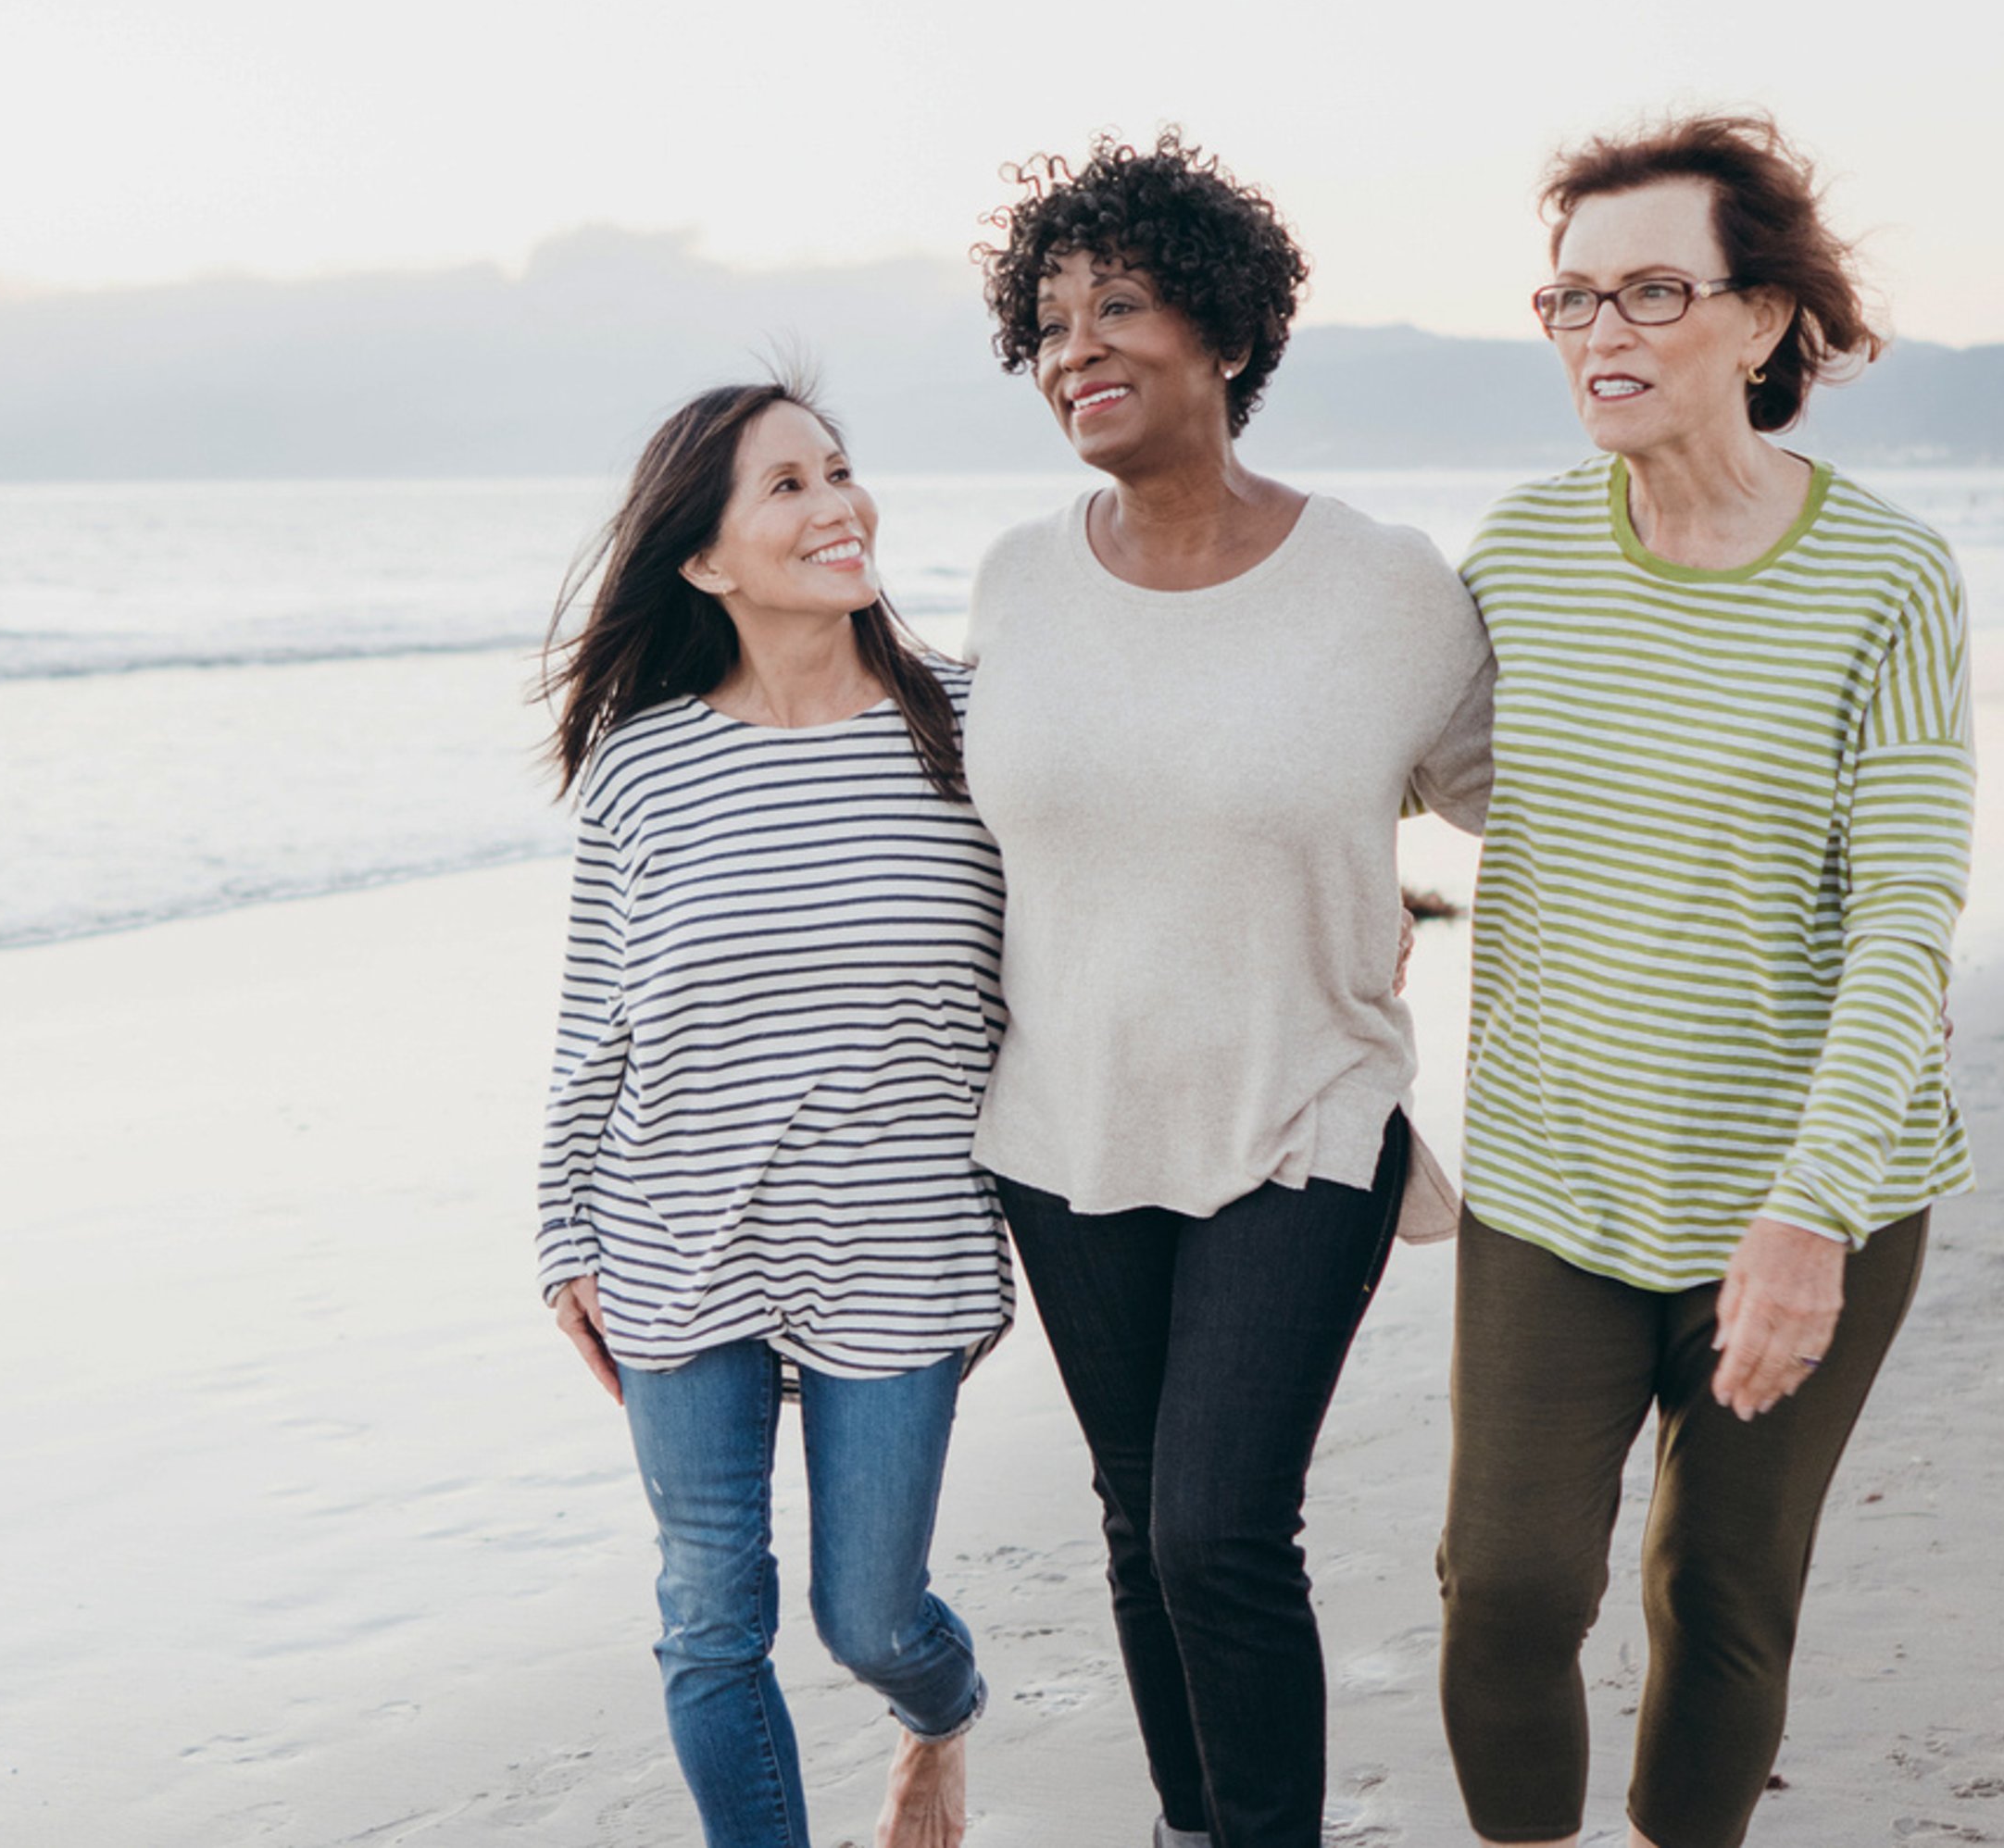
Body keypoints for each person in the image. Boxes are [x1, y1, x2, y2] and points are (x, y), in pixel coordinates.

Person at [1437, 111, 1974, 1848]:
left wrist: (1809, 1219)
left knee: (1722, 1588)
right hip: (1555, 1176)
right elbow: (1328, 779)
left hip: (1812, 1194)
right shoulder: (1516, 559)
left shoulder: (1888, 579)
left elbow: (1907, 917)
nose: (1604, 332)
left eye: (1654, 290)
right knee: (1507, 1588)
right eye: (1572, 297)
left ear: (1764, 323)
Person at [960, 132, 1497, 1848]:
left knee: (1215, 1529)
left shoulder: (1385, 588)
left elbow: (1542, 811)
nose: (1075, 350)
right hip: (1066, 1126)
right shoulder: (1016, 581)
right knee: (1137, 1520)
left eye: (1118, 304)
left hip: (1300, 1113)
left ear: (1228, 336)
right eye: (1047, 321)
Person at [532, 377, 1010, 1848]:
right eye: (788, 488)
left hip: (900, 1236)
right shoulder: (645, 766)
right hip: (678, 1235)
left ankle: (941, 1715)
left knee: (868, 1613)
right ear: (705, 561)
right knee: (708, 1617)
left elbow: (1147, 861)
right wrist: (561, 1237)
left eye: (842, 471)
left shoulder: (975, 728)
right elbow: (591, 1024)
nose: (839, 506)